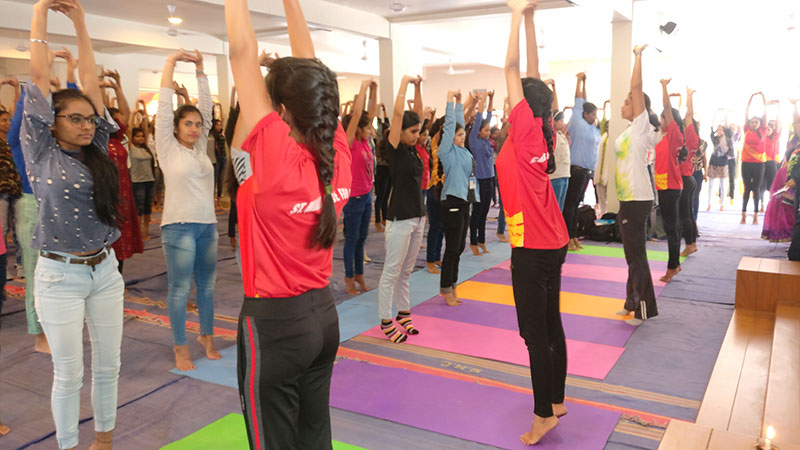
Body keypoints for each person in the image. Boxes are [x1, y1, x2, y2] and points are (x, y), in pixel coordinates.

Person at [226, 0, 353, 446]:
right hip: (323, 319)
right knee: (314, 437)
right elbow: (312, 68)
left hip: (277, 326)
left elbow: (242, 53)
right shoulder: (338, 154)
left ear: (280, 110)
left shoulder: (279, 157)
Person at [23, 1, 126, 448]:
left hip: (105, 270)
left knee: (109, 366)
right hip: (58, 276)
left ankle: (103, 441)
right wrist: (42, 13)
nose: (87, 124)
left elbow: (90, 78)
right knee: (69, 373)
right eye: (76, 118)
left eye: (90, 118)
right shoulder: (39, 149)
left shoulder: (98, 147)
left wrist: (83, 23)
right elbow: (38, 73)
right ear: (51, 123)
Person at [500, 0, 569, 445]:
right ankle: (556, 398)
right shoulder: (538, 123)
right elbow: (532, 76)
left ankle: (543, 413)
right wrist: (530, 18)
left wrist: (513, 13)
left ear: (525, 105)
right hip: (551, 238)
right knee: (551, 322)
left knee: (534, 333)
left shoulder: (526, 126)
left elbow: (511, 68)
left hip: (534, 247)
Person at [156, 48, 219, 371]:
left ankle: (206, 336)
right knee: (180, 288)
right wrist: (170, 63)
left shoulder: (199, 149)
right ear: (176, 127)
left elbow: (206, 110)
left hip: (207, 226)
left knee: (207, 285)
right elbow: (165, 107)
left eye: (198, 124)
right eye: (188, 124)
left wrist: (201, 69)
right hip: (178, 227)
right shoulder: (167, 149)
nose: (195, 129)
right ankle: (180, 345)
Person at [376, 74, 426, 343]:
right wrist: (405, 82)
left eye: (419, 131)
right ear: (401, 132)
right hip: (400, 219)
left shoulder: (411, 149)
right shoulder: (394, 148)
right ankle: (386, 320)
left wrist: (418, 87)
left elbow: (415, 114)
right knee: (391, 272)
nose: (418, 136)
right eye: (413, 132)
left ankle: (403, 313)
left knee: (406, 271)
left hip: (418, 217)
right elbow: (398, 116)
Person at [614, 44, 659, 326]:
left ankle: (644, 309)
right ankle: (631, 302)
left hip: (637, 198)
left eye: (628, 101)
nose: (623, 104)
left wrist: (637, 56)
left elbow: (637, 85)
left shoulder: (642, 126)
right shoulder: (630, 130)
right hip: (628, 199)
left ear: (640, 107)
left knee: (637, 257)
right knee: (631, 255)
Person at [439, 89, 478, 307]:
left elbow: (459, 123)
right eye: (459, 134)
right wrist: (449, 101)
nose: (463, 137)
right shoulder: (448, 151)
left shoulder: (464, 151)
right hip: (452, 202)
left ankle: (453, 284)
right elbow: (450, 126)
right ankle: (446, 288)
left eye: (463, 134)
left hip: (465, 201)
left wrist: (461, 102)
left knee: (460, 248)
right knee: (453, 248)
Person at [102, 70, 143, 272]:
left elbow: (126, 113)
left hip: (123, 194)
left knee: (122, 236)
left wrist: (118, 87)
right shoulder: (97, 139)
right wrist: (97, 87)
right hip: (104, 195)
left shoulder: (117, 137)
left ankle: (118, 276)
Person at [342, 79, 376, 295]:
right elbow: (356, 119)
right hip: (353, 198)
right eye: (367, 128)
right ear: (357, 130)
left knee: (362, 239)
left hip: (366, 196)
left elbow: (369, 115)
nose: (371, 131)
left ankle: (359, 275)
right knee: (352, 239)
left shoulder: (364, 142)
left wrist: (375, 89)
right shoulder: (351, 142)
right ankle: (348, 278)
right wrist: (362, 89)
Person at [564, 70, 601, 251]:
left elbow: (585, 102)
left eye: (595, 114)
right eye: (592, 114)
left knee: (576, 205)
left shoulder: (593, 129)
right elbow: (579, 103)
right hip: (575, 170)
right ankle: (568, 237)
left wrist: (586, 83)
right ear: (584, 114)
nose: (595, 117)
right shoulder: (578, 123)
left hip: (586, 172)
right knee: (570, 205)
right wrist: (579, 81)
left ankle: (574, 237)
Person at [654, 78, 685, 282]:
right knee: (670, 226)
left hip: (671, 187)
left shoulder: (674, 135)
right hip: (664, 186)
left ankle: (672, 266)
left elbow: (666, 107)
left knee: (671, 227)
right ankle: (675, 264)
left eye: (663, 117)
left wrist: (664, 87)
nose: (660, 120)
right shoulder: (661, 136)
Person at [468, 90, 495, 255]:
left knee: (485, 213)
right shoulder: (474, 140)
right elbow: (480, 119)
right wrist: (483, 99)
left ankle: (482, 241)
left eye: (489, 131)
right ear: (478, 131)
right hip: (478, 181)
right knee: (477, 213)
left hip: (489, 179)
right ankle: (473, 242)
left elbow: (488, 118)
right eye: (485, 131)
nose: (488, 133)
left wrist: (491, 100)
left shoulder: (486, 141)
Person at [127, 109, 156, 241]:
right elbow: (128, 130)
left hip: (149, 180)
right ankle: (138, 233)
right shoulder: (131, 149)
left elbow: (145, 129)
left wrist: (144, 114)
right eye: (137, 136)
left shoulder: (146, 149)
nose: (141, 138)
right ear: (132, 138)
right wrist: (133, 115)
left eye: (142, 136)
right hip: (137, 181)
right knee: (138, 208)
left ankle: (145, 232)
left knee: (147, 208)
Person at [741, 92, 768, 224]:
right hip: (746, 163)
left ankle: (756, 215)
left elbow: (765, 114)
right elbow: (746, 112)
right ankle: (743, 214)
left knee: (756, 189)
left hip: (759, 164)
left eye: (756, 122)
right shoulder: (746, 129)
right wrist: (750, 99)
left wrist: (763, 99)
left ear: (759, 124)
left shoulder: (763, 130)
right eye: (752, 122)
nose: (753, 124)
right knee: (747, 188)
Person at [679, 88, 699, 257]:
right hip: (689, 178)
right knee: (689, 214)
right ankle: (692, 243)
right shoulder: (689, 137)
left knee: (685, 215)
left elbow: (688, 115)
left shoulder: (690, 135)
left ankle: (690, 244)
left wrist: (689, 97)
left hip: (685, 179)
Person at [426, 117, 446, 273]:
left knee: (442, 226)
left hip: (445, 189)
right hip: (433, 187)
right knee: (435, 226)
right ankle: (430, 259)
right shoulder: (433, 144)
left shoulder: (448, 146)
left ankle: (437, 255)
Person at [546, 82, 570, 211]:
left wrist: (555, 88)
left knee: (560, 210)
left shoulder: (561, 135)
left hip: (565, 174)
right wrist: (552, 90)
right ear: (553, 122)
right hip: (555, 177)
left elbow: (557, 112)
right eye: (561, 120)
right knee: (554, 210)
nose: (564, 123)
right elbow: (554, 110)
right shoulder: (551, 134)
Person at [708, 125, 733, 211]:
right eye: (718, 130)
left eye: (720, 130)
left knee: (723, 184)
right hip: (714, 161)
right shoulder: (715, 139)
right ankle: (709, 203)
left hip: (723, 161)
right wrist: (713, 131)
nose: (719, 131)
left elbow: (730, 133)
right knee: (711, 184)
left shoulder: (728, 140)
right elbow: (711, 136)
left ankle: (722, 204)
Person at [762, 104, 781, 211]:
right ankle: (761, 204)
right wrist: (766, 107)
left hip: (772, 163)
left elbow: (778, 124)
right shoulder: (761, 137)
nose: (768, 129)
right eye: (767, 128)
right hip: (761, 163)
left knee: (771, 185)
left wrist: (778, 107)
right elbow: (763, 122)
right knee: (761, 185)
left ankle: (771, 204)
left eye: (770, 128)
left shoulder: (775, 137)